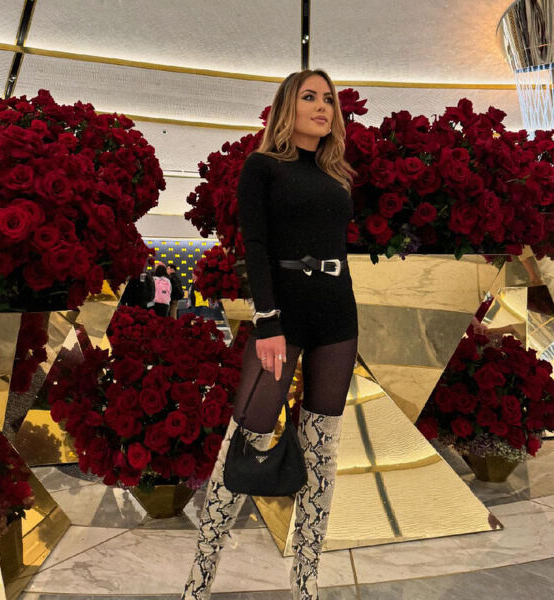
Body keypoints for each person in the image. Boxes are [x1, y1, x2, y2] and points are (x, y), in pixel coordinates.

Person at [182, 69, 359, 600]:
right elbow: (255, 248)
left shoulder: (336, 175)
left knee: (322, 452)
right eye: (310, 97)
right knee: (246, 439)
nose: (323, 107)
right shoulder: (262, 167)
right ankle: (199, 581)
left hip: (337, 313)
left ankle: (306, 584)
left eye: (328, 99)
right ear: (288, 107)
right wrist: (268, 321)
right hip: (283, 314)